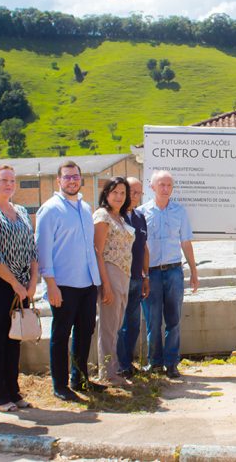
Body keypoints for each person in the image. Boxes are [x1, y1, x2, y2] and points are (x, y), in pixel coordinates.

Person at [36, 160, 105, 401]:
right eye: (67, 177)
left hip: (87, 283)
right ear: (59, 181)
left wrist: (97, 283)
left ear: (81, 179)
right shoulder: (50, 209)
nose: (72, 180)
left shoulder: (85, 208)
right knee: (61, 334)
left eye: (75, 176)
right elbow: (43, 250)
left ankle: (80, 378)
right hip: (63, 285)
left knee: (85, 331)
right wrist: (50, 284)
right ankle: (60, 385)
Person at [0, 165, 38, 412]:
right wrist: (14, 283)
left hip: (23, 285)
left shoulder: (21, 211)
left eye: (12, 180)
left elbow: (32, 249)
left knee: (15, 339)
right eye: (3, 180)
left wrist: (32, 283)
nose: (9, 184)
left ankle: (14, 391)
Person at [141, 170, 199, 378]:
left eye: (169, 185)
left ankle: (172, 363)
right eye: (161, 185)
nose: (165, 189)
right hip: (151, 274)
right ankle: (154, 362)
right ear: (152, 187)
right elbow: (139, 246)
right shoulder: (142, 213)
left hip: (174, 271)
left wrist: (193, 270)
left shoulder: (179, 212)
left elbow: (185, 242)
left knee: (173, 320)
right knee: (153, 320)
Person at [93, 177, 136, 386]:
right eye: (115, 192)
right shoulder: (102, 216)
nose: (119, 196)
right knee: (108, 326)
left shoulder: (121, 217)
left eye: (122, 193)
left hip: (124, 274)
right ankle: (107, 373)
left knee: (116, 324)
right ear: (106, 194)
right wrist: (105, 284)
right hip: (110, 273)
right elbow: (97, 251)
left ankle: (114, 368)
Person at [116, 177, 150, 379]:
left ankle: (127, 363)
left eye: (139, 193)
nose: (136, 197)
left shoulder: (139, 217)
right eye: (133, 192)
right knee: (118, 325)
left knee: (134, 325)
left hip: (137, 278)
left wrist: (146, 275)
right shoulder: (113, 216)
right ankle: (120, 365)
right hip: (120, 279)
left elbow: (144, 248)